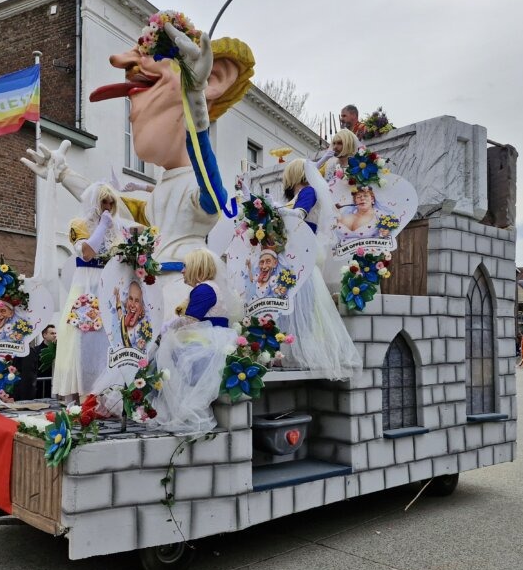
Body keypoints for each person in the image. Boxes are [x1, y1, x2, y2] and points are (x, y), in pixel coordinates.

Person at [23, 19, 255, 319]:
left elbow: (213, 193)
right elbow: (108, 203)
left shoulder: (194, 187)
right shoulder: (160, 192)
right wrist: (64, 174)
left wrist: (196, 105)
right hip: (149, 290)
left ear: (213, 80)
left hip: (185, 288)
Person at [276, 158, 362, 379]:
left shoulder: (307, 192)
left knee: (301, 302)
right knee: (296, 303)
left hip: (301, 251)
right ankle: (290, 351)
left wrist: (275, 209)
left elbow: (299, 215)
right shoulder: (301, 194)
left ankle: (298, 352)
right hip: (297, 251)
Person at [54, 182, 135, 399]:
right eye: (103, 202)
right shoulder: (79, 224)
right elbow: (87, 253)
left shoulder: (117, 231)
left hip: (109, 289)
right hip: (86, 287)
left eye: (111, 202)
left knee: (108, 341)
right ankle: (77, 396)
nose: (108, 206)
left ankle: (104, 396)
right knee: (80, 338)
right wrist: (101, 226)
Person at [151, 249, 238, 434]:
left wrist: (166, 327)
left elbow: (190, 320)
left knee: (163, 354)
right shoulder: (207, 287)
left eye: (185, 266)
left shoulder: (204, 289)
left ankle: (186, 415)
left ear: (196, 267)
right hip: (209, 339)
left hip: (206, 342)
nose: (182, 271)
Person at [35, 324, 57, 399]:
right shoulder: (36, 350)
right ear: (44, 335)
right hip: (41, 385)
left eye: (55, 333)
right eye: (52, 333)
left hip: (55, 383)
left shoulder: (59, 349)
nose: (54, 335)